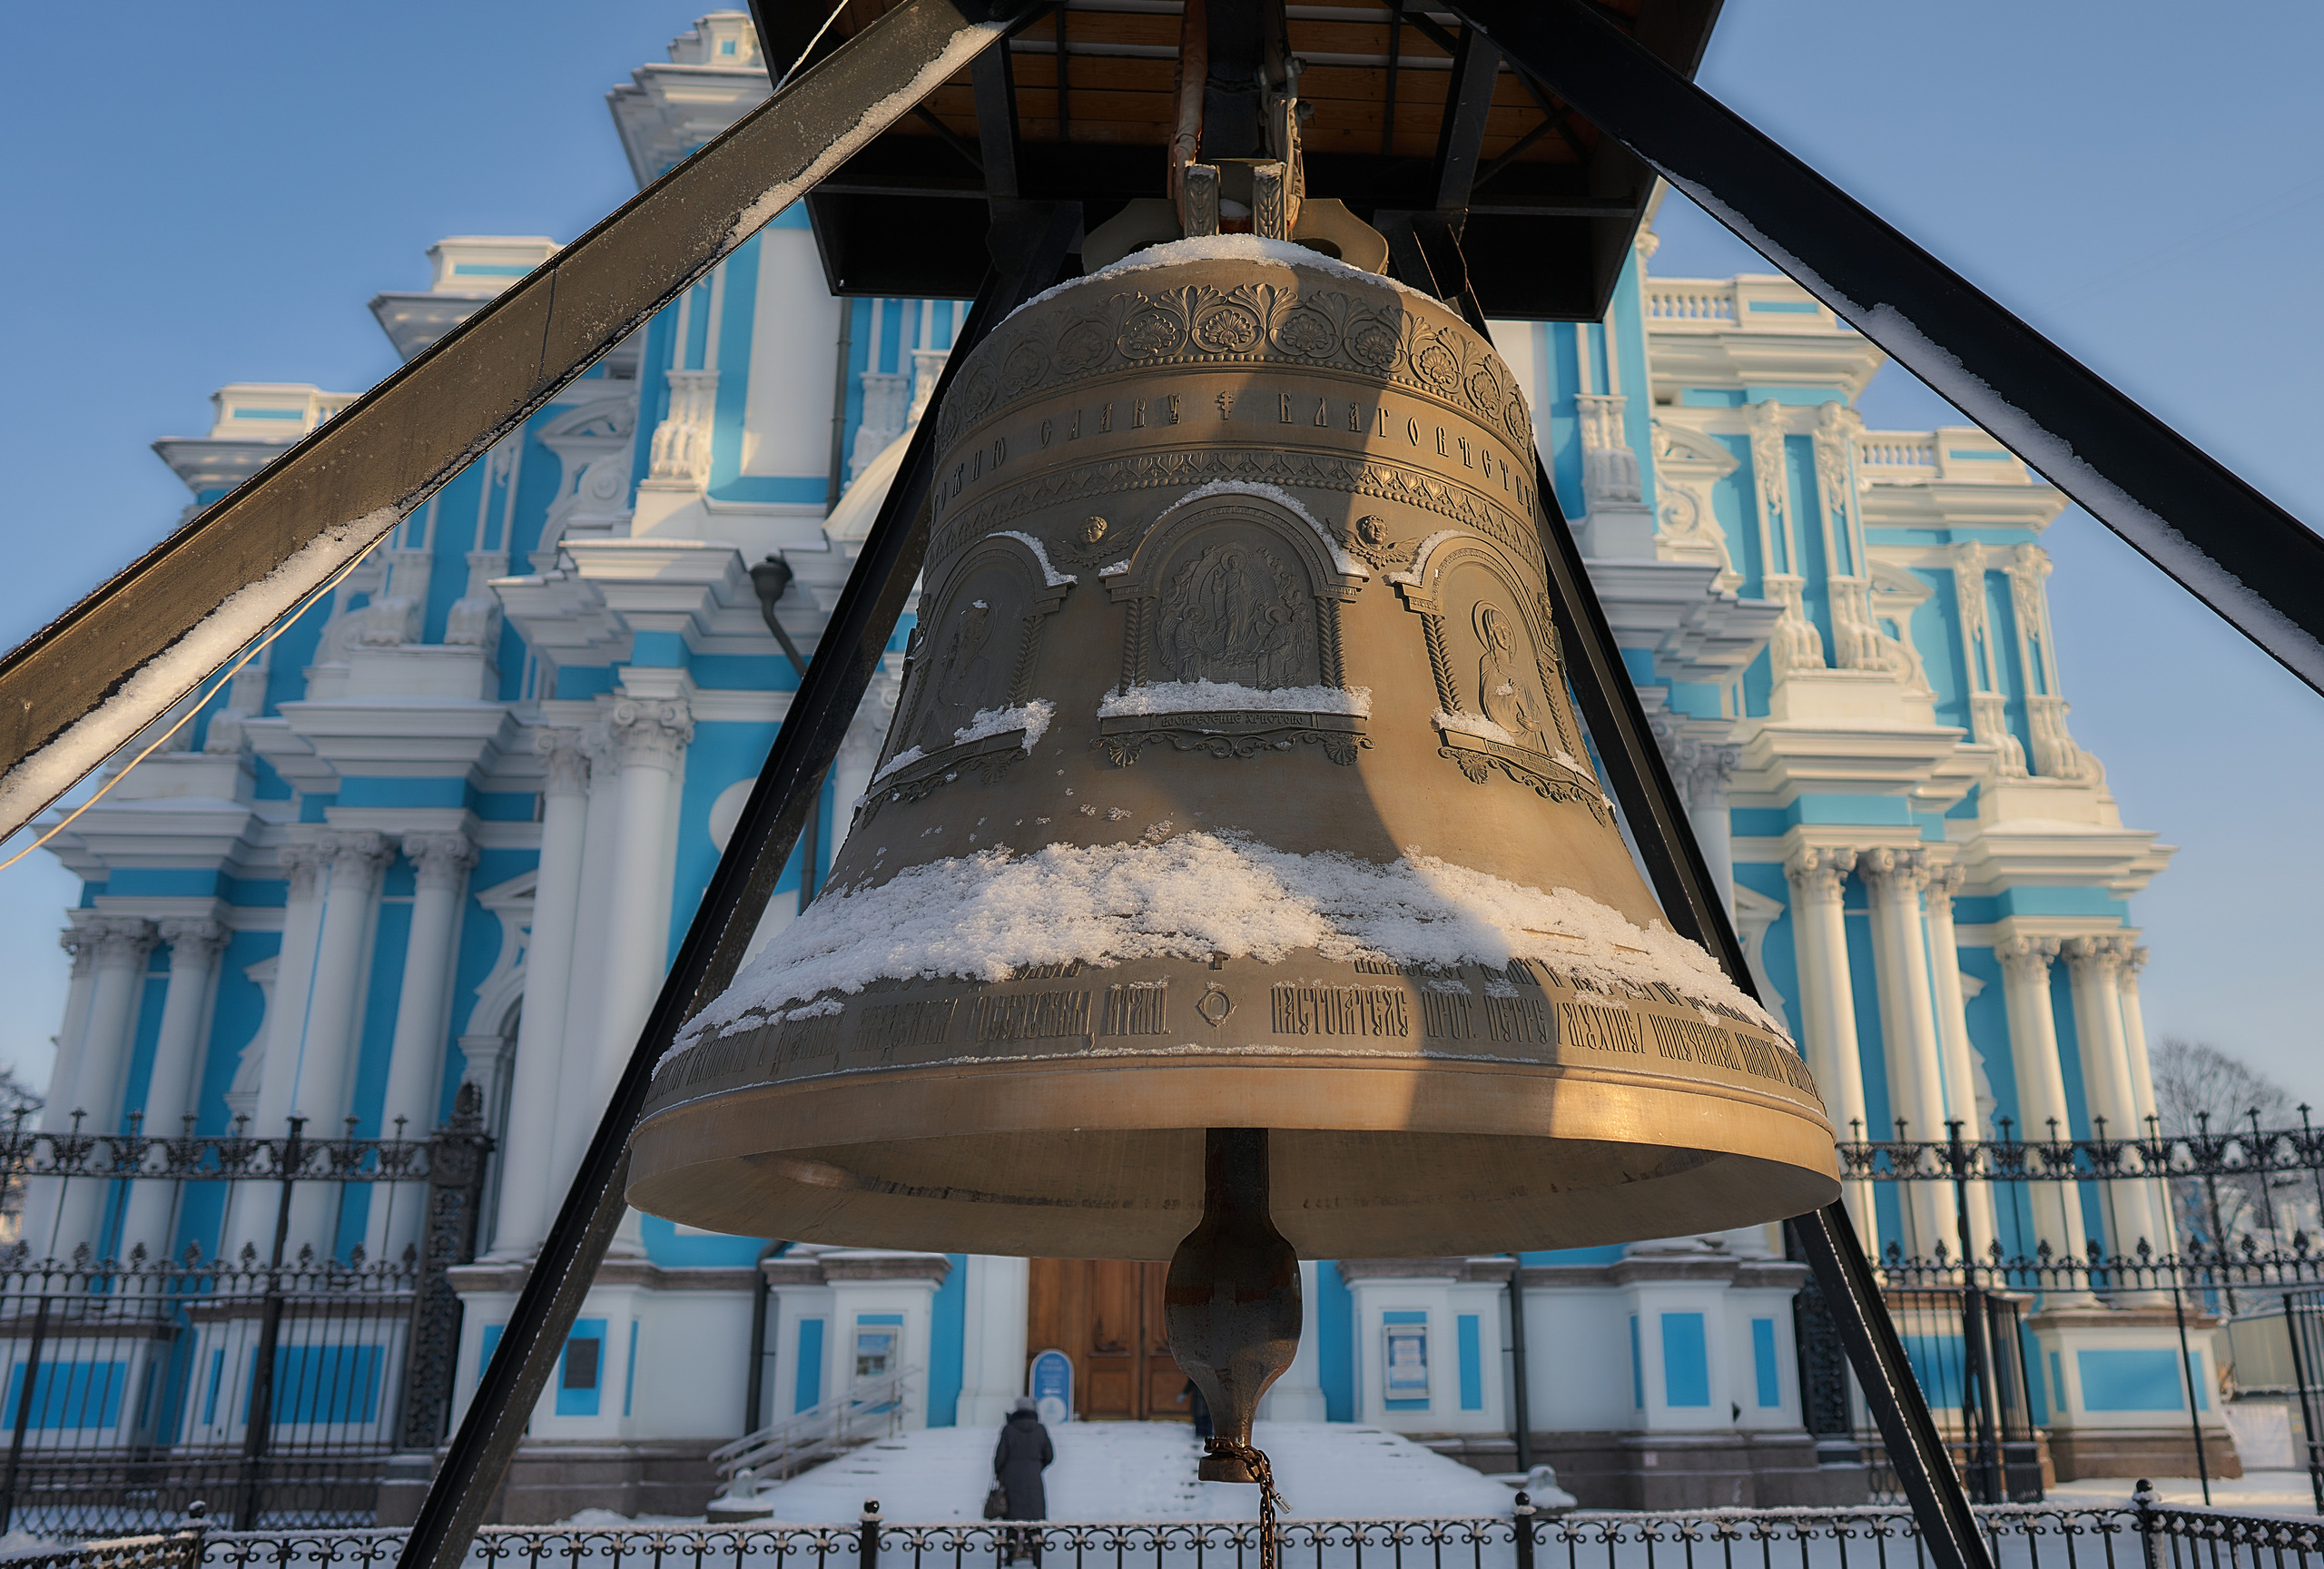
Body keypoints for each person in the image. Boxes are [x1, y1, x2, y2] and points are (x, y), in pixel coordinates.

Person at [993, 1396, 1053, 1564]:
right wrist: (1037, 1467)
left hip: (1012, 1479)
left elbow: (999, 1458)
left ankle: (1011, 1554)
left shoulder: (1009, 1429)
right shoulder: (1040, 1429)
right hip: (1034, 1479)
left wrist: (1001, 1474)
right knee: (1034, 1518)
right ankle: (1035, 1553)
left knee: (1011, 1518)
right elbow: (1050, 1455)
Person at [1177, 1377, 1213, 1441]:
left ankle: (1208, 1434)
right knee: (1199, 1416)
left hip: (1209, 1396)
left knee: (1209, 1416)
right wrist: (1184, 1393)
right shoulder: (1195, 1371)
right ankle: (1199, 1435)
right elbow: (1190, 1383)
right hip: (1198, 1397)